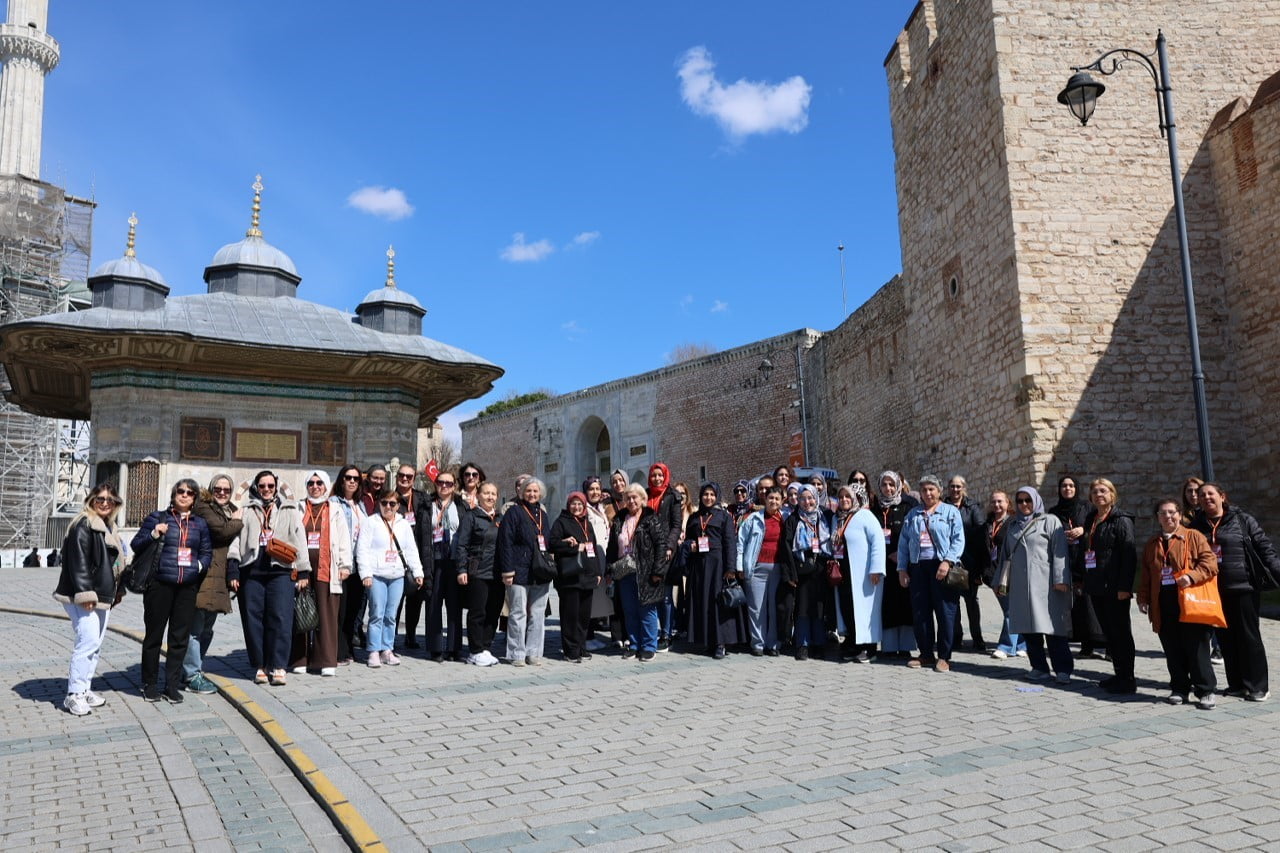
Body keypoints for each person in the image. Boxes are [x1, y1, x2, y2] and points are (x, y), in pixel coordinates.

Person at [1192, 483, 1277, 702]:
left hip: (1243, 587)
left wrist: (1277, 569)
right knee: (1226, 639)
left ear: (1222, 496)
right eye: (1202, 496)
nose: (1206, 498)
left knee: (1249, 637)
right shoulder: (1196, 526)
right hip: (1213, 591)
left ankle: (1258, 686)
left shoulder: (1242, 520)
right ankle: (1237, 684)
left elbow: (1264, 547)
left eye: (1211, 494)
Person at [132, 479, 214, 702]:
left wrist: (198, 566)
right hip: (160, 585)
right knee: (154, 637)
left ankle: (171, 684)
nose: (185, 495)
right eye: (181, 491)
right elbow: (135, 544)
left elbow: (207, 551)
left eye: (190, 492)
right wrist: (153, 534)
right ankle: (149, 684)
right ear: (174, 494)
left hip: (186, 587)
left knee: (179, 639)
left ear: (195, 498)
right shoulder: (158, 518)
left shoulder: (200, 524)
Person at [231, 470, 309, 686]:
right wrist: (233, 567)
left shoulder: (289, 509)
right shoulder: (245, 510)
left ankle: (279, 666)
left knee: (281, 618)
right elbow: (236, 539)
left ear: (276, 487)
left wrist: (303, 571)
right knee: (253, 619)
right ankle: (260, 665)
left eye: (270, 486)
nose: (266, 490)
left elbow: (299, 538)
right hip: (252, 571)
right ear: (256, 487)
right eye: (262, 486)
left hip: (281, 571)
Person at [53, 484, 125, 716]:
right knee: (87, 642)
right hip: (84, 595)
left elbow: (115, 563)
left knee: (95, 644)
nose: (105, 503)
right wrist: (85, 594)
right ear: (91, 500)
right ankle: (73, 694)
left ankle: (84, 688)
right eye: (100, 499)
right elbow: (78, 562)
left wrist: (118, 590)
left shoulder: (108, 526)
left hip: (102, 595)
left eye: (110, 500)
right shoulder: (83, 524)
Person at [1139, 498, 1218, 709]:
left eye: (1172, 512)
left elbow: (1210, 563)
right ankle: (1179, 688)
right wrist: (1143, 598)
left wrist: (1192, 576)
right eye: (1163, 513)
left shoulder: (1193, 536)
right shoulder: (1152, 543)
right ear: (1157, 518)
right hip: (1163, 604)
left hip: (1190, 601)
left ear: (1180, 514)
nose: (1168, 516)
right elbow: (1146, 575)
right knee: (1172, 649)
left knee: (1197, 648)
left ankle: (1206, 690)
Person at [1000, 487, 1072, 684]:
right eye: (1020, 500)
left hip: (1047, 584)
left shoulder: (1050, 521)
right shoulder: (1013, 526)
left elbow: (1060, 551)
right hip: (1021, 586)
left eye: (1028, 500)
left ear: (1036, 501)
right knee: (1029, 629)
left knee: (1053, 628)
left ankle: (1063, 669)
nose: (1024, 504)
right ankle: (1039, 667)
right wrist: (1000, 582)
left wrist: (1060, 578)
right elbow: (1005, 556)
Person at [897, 475, 964, 672]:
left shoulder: (950, 512)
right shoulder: (913, 514)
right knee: (920, 612)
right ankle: (926, 653)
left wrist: (947, 561)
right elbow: (903, 544)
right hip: (918, 567)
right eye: (924, 490)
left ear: (939, 491)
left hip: (942, 566)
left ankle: (944, 656)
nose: (928, 493)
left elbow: (958, 539)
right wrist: (902, 569)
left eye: (931, 489)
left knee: (945, 612)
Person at [289, 470, 353, 676]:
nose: (315, 487)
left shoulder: (334, 509)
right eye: (311, 483)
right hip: (302, 569)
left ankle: (326, 660)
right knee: (302, 610)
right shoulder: (298, 508)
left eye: (319, 483)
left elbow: (344, 540)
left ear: (326, 486)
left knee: (327, 614)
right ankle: (300, 658)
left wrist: (345, 565)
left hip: (328, 569)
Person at [185, 473, 244, 694]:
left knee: (207, 628)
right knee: (196, 628)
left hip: (217, 577)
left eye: (226, 490)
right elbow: (221, 530)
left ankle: (193, 670)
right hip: (203, 577)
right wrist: (238, 520)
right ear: (211, 489)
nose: (222, 493)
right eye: (218, 489)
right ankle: (192, 674)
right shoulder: (204, 507)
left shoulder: (225, 510)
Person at [1078, 478, 1137, 694]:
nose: (1098, 494)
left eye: (1103, 491)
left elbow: (1129, 556)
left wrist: (1125, 587)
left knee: (1121, 633)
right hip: (1096, 585)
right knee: (1109, 634)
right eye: (1094, 491)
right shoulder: (1091, 519)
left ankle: (1128, 678)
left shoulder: (1121, 520)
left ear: (1112, 494)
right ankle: (1119, 674)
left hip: (1115, 587)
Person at [357, 489, 423, 667]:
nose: (388, 507)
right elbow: (362, 549)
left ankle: (387, 649)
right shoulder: (371, 522)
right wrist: (366, 574)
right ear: (379, 503)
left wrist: (418, 572)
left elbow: (411, 549)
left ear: (398, 506)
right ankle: (373, 651)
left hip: (397, 576)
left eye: (392, 504)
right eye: (384, 503)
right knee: (376, 613)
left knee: (391, 615)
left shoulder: (403, 524)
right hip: (377, 575)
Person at [683, 482, 747, 659]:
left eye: (712, 494)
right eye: (705, 494)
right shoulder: (694, 517)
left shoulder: (724, 516)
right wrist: (691, 546)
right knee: (703, 603)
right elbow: (688, 541)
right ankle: (708, 641)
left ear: (717, 496)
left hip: (719, 566)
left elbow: (730, 543)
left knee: (719, 605)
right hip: (700, 566)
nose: (708, 498)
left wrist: (730, 568)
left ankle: (721, 643)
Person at [498, 477, 554, 666]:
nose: (532, 494)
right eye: (528, 491)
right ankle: (516, 653)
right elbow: (505, 542)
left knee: (538, 613)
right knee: (518, 613)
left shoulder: (543, 514)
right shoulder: (514, 512)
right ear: (522, 492)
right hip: (519, 569)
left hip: (540, 570)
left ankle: (534, 652)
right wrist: (507, 570)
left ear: (541, 494)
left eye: (535, 491)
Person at [608, 482, 667, 661]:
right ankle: (634, 644)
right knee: (630, 610)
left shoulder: (651, 518)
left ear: (643, 499)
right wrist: (609, 568)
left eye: (635, 497)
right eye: (628, 498)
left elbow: (660, 545)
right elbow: (612, 547)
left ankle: (649, 646)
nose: (631, 500)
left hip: (646, 571)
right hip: (624, 572)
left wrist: (658, 570)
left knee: (647, 609)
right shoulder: (619, 519)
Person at [777, 484, 834, 660]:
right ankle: (802, 644)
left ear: (816, 498)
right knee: (802, 608)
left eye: (810, 498)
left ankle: (818, 643)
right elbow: (786, 548)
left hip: (820, 569)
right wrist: (791, 574)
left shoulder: (823, 517)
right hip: (801, 570)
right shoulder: (793, 520)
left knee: (819, 607)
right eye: (802, 498)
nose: (807, 502)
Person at [1050, 475, 1103, 660]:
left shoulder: (1087, 508)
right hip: (1066, 560)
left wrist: (1083, 530)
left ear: (1076, 488)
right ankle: (1085, 644)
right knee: (1077, 605)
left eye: (1071, 485)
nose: (1067, 489)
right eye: (1064, 486)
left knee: (1091, 602)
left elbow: (1095, 527)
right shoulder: (1054, 512)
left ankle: (1103, 642)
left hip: (1085, 558)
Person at [453, 481, 504, 666]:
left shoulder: (500, 519)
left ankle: (485, 647)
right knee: (478, 612)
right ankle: (474, 650)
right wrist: (461, 569)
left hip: (497, 573)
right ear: (478, 496)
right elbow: (462, 545)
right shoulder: (471, 517)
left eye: (493, 494)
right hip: (478, 571)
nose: (490, 497)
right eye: (486, 493)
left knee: (493, 611)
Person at [549, 491, 604, 662]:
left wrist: (597, 572)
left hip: (587, 576)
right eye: (573, 503)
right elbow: (552, 544)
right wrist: (571, 546)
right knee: (570, 616)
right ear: (568, 505)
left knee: (583, 615)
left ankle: (581, 647)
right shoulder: (561, 522)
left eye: (580, 504)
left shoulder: (587, 523)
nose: (577, 507)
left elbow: (592, 548)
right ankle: (570, 650)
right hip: (570, 578)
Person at [838, 483, 886, 663]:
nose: (844, 500)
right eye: (841, 497)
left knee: (866, 611)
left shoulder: (865, 515)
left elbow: (878, 541)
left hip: (865, 574)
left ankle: (870, 648)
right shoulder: (841, 518)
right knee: (850, 610)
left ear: (856, 499)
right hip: (846, 573)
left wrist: (876, 568)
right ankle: (856, 645)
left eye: (847, 497)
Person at [738, 486, 787, 656]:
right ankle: (758, 644)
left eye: (777, 499)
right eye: (771, 498)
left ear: (782, 502)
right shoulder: (753, 518)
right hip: (756, 568)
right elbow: (741, 542)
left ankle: (773, 644)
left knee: (774, 608)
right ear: (765, 500)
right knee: (756, 608)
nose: (773, 501)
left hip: (778, 569)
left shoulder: (785, 518)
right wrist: (740, 566)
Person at [873, 471, 918, 657]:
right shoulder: (874, 508)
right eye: (884, 485)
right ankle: (889, 647)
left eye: (892, 484)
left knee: (906, 604)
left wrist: (901, 554)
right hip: (883, 565)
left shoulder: (908, 505)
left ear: (899, 484)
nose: (888, 488)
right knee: (887, 605)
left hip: (903, 563)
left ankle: (906, 646)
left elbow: (914, 533)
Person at [424, 470, 466, 661]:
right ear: (436, 484)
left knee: (454, 604)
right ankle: (435, 647)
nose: (444, 486)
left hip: (454, 559)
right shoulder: (427, 505)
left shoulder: (461, 506)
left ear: (454, 486)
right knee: (433, 604)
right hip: (434, 559)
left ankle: (454, 648)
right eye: (441, 482)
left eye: (449, 483)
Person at [394, 463, 433, 651]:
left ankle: (410, 635)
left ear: (414, 478)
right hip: (395, 555)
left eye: (409, 477)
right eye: (402, 475)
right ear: (396, 476)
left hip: (417, 554)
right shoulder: (390, 499)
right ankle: (390, 637)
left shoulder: (422, 499)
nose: (405, 479)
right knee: (395, 601)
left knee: (415, 599)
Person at [946, 475, 987, 652]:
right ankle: (956, 637)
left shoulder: (973, 508)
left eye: (958, 487)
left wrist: (978, 568)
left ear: (964, 488)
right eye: (952, 486)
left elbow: (980, 533)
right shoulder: (943, 507)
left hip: (969, 562)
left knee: (971, 602)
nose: (955, 490)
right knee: (952, 601)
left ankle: (977, 637)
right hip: (950, 561)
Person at [331, 464, 366, 665]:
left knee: (354, 611)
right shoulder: (334, 503)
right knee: (340, 610)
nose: (352, 481)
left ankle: (349, 648)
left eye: (355, 478)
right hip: (342, 564)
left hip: (358, 566)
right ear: (341, 480)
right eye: (348, 478)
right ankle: (339, 650)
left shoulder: (360, 505)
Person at [646, 464, 683, 651]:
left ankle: (667, 634)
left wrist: (670, 546)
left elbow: (676, 525)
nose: (657, 479)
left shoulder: (673, 496)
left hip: (666, 552)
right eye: (654, 475)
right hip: (648, 551)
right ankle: (655, 630)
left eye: (660, 475)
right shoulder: (646, 495)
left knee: (666, 595)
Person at [985, 491, 1026, 659]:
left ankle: (1006, 646)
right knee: (1012, 609)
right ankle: (1022, 644)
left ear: (1008, 503)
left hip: (1010, 572)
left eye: (1000, 502)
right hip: (994, 573)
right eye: (993, 502)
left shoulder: (1013, 522)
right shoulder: (988, 523)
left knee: (1010, 610)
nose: (996, 505)